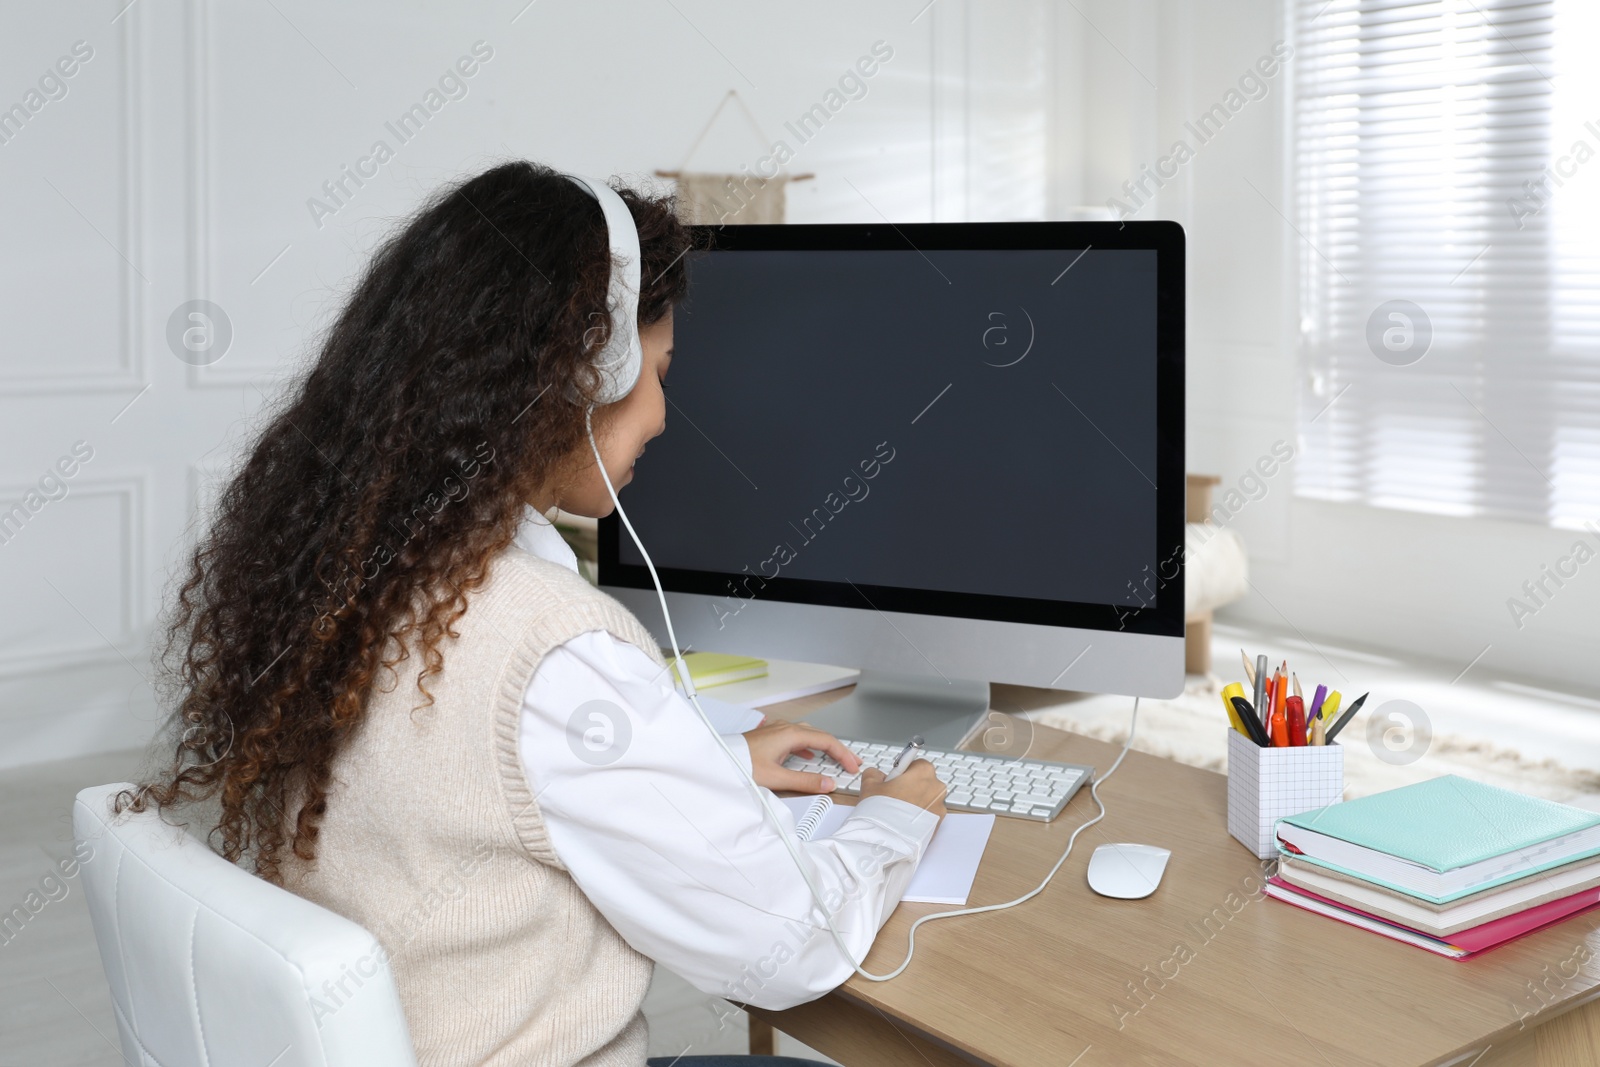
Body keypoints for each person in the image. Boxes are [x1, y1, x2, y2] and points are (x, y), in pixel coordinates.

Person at [122, 160, 947, 1067]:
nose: (667, 416)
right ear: (583, 375)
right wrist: (895, 816)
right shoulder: (553, 646)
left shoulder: (359, 576)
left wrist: (703, 763)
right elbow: (793, 942)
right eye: (657, 372)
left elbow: (464, 787)